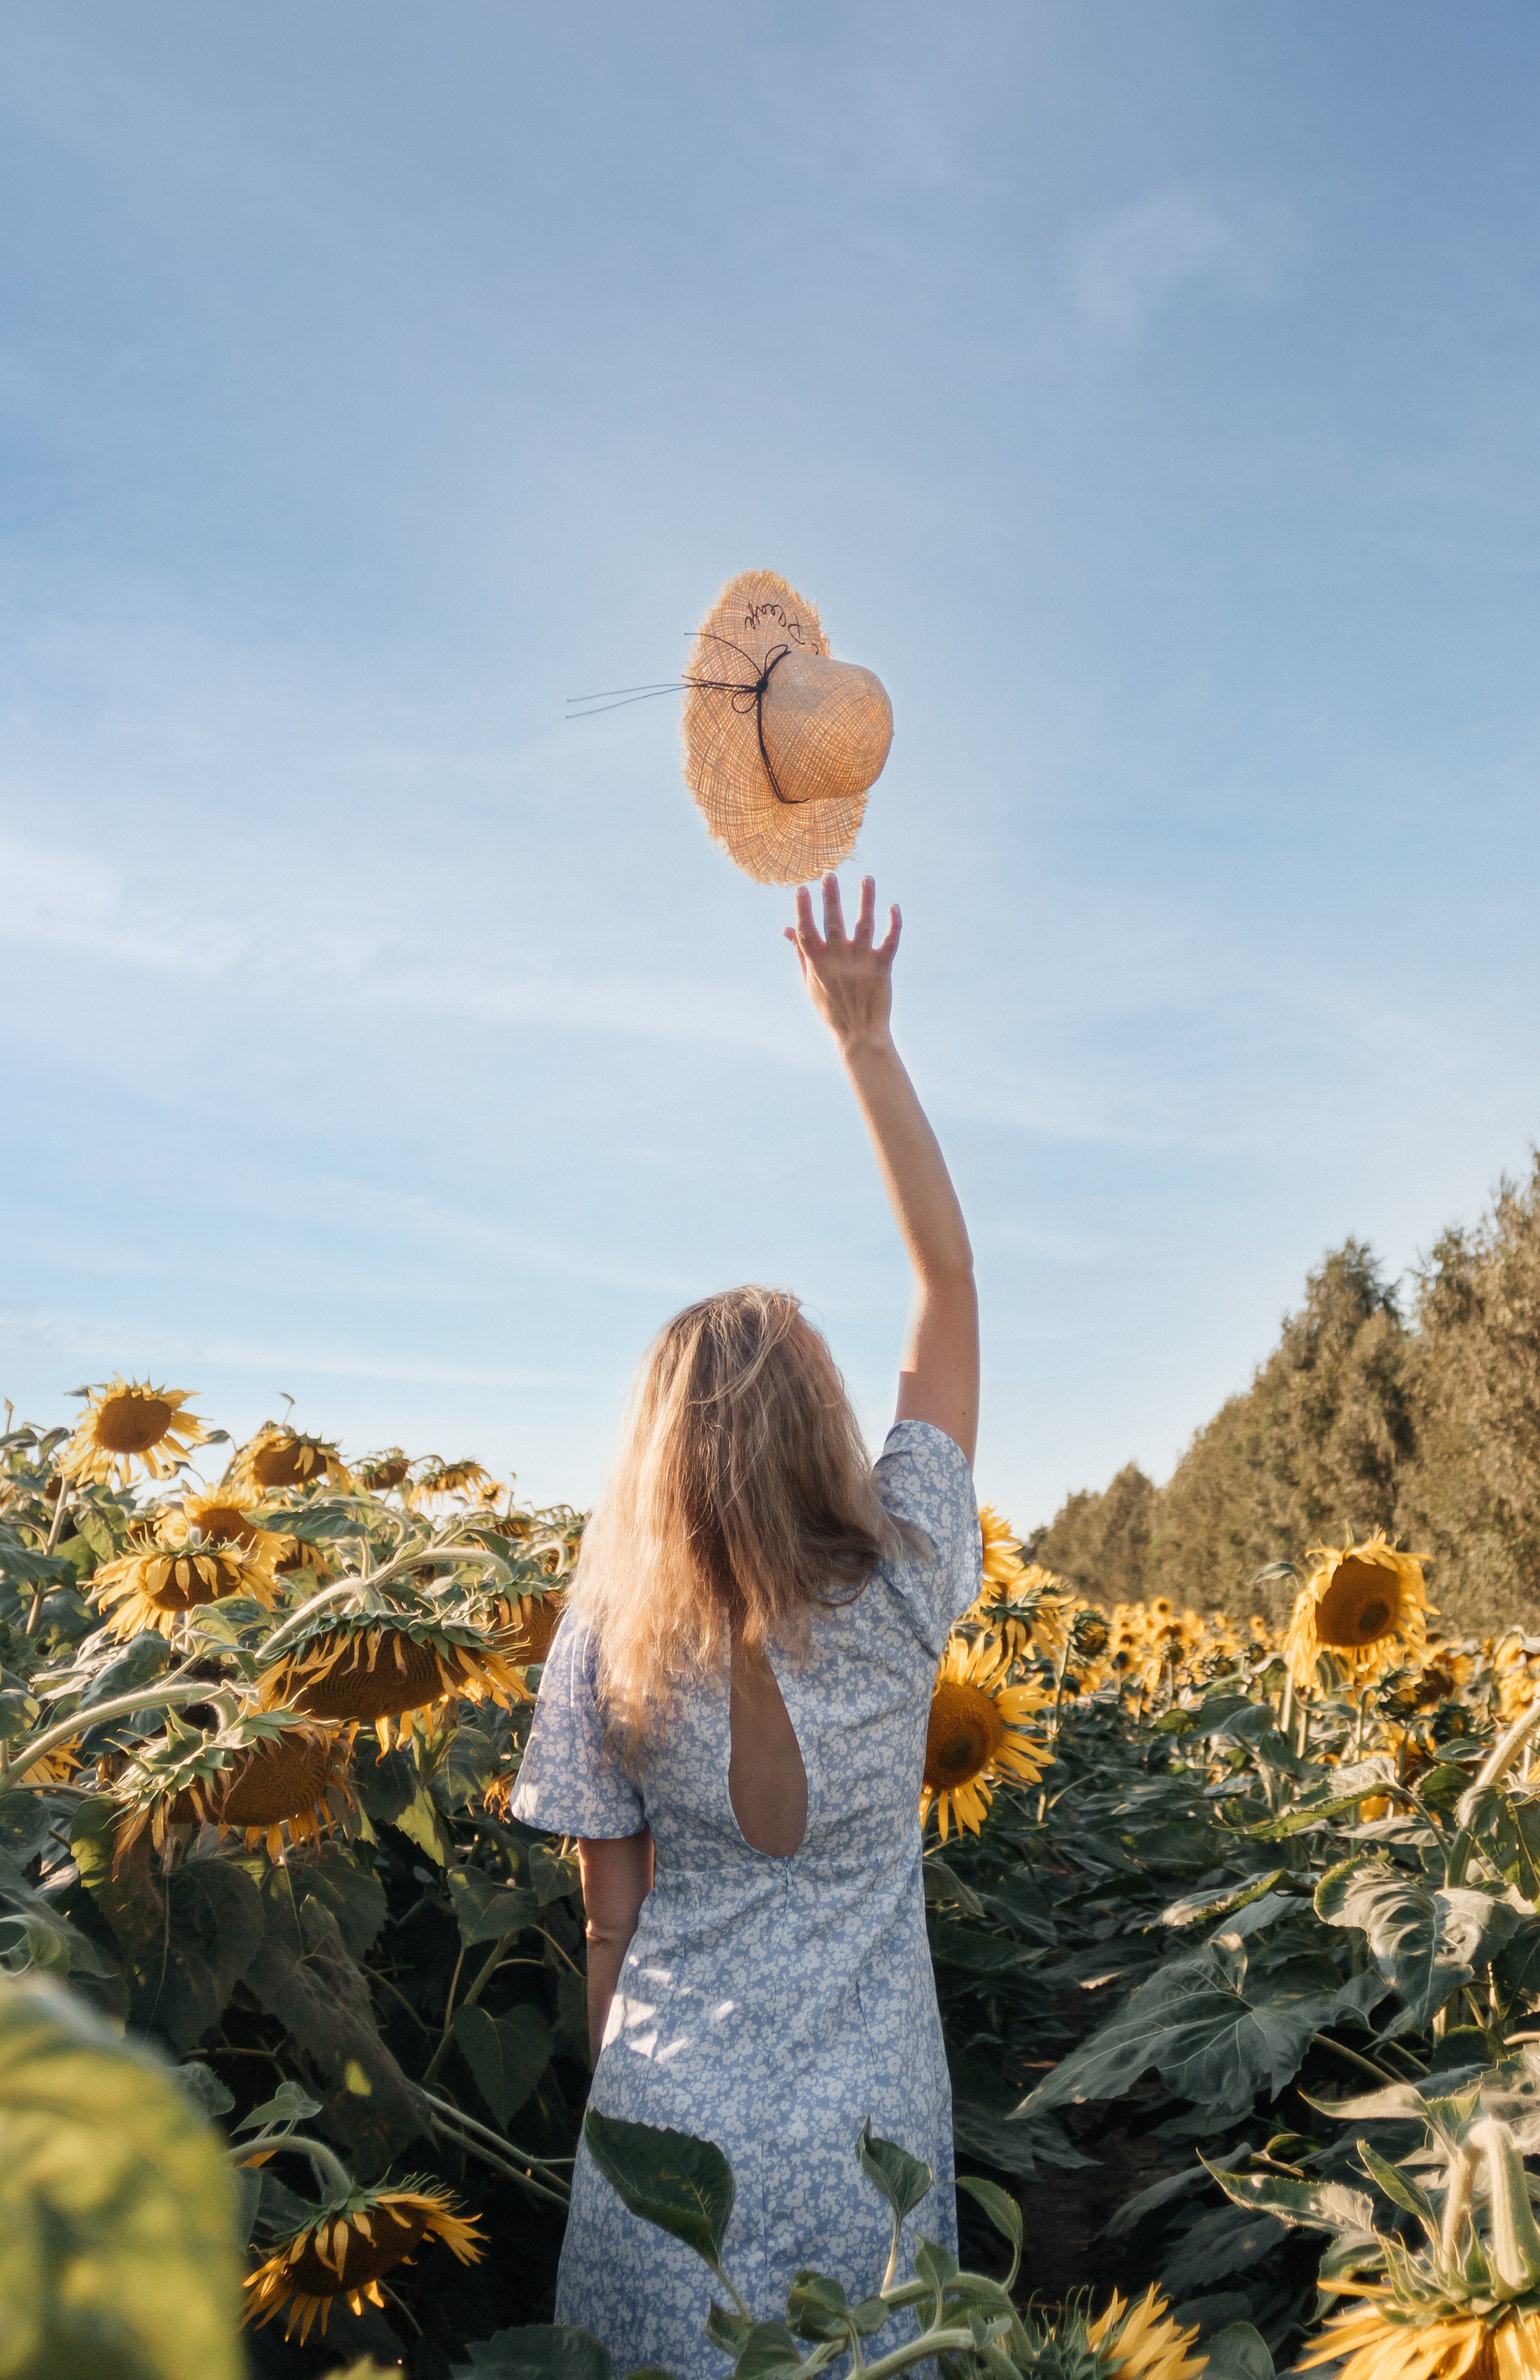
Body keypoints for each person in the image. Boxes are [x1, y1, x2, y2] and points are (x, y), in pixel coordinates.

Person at [511, 872, 981, 2379]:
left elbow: (608, 1915)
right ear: (820, 1423)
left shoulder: (607, 1636)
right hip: (869, 2146)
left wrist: (627, 2118)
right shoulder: (905, 1572)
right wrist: (863, 1040)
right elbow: (948, 1286)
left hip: (669, 2135)